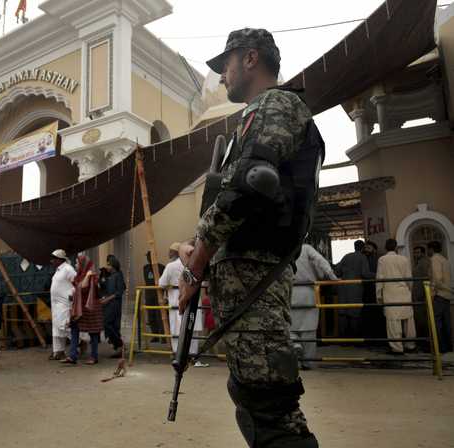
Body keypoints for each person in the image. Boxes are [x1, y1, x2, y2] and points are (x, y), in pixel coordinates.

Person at [178, 28, 321, 447]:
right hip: (246, 282)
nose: (223, 75)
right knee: (254, 399)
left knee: (271, 409)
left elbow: (252, 184)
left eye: (226, 64)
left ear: (251, 58)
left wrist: (197, 262)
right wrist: (198, 247)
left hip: (255, 279)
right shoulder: (257, 114)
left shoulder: (276, 104)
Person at [159, 243, 207, 366]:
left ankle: (179, 356)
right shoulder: (197, 264)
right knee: (193, 329)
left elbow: (162, 283)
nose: (169, 253)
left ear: (176, 252)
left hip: (177, 302)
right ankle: (193, 357)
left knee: (178, 330)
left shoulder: (171, 266)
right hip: (194, 301)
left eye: (170, 251)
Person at [290, 244, 338, 369]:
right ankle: (308, 362)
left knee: (290, 326)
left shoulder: (284, 248)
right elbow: (320, 260)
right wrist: (333, 277)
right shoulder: (306, 248)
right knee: (309, 330)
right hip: (308, 292)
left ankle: (295, 349)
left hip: (289, 291)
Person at [376, 239, 415, 355]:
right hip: (404, 293)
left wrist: (379, 296)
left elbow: (379, 279)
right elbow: (409, 278)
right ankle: (410, 345)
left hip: (390, 293)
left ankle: (397, 348)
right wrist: (410, 291)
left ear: (385, 247)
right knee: (408, 320)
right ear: (396, 247)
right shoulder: (404, 259)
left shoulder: (382, 260)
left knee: (393, 322)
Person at [63, 254, 103, 364]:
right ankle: (72, 356)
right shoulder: (80, 274)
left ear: (83, 264)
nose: (76, 265)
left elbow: (83, 287)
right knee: (74, 328)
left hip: (91, 309)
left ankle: (94, 357)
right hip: (80, 308)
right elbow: (76, 286)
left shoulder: (91, 275)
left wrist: (87, 276)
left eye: (77, 263)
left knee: (93, 333)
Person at [334, 240, 373, 338]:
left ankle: (343, 340)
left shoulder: (346, 256)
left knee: (343, 314)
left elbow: (337, 271)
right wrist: (378, 275)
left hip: (343, 288)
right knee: (354, 314)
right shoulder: (363, 257)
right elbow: (365, 274)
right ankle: (356, 340)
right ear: (363, 248)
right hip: (356, 289)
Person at [49, 249, 76, 360]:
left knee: (64, 326)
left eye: (54, 259)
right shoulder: (58, 270)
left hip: (64, 304)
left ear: (60, 259)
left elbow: (76, 283)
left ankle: (79, 342)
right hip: (56, 304)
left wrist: (72, 294)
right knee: (56, 328)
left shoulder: (68, 269)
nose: (52, 261)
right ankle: (58, 351)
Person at [427, 241, 453, 353]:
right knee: (447, 322)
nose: (428, 251)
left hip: (439, 294)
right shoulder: (445, 260)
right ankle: (449, 347)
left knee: (436, 323)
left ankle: (440, 348)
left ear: (431, 249)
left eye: (428, 249)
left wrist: (432, 294)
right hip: (447, 295)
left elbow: (437, 279)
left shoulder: (435, 259)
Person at [101, 254, 126, 358]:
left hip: (114, 304)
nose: (108, 267)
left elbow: (119, 292)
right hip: (108, 305)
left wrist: (107, 299)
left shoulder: (118, 275)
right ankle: (118, 348)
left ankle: (119, 344)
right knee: (112, 326)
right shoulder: (109, 275)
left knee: (108, 324)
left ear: (114, 266)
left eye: (109, 265)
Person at [143, 251, 165, 340]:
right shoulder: (145, 268)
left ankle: (163, 336)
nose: (148, 259)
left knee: (160, 316)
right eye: (147, 257)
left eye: (149, 257)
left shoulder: (161, 267)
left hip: (159, 295)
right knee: (151, 316)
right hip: (149, 295)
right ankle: (155, 335)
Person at [411, 246, 431, 343]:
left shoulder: (425, 262)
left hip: (422, 296)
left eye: (418, 252)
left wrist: (423, 294)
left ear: (423, 253)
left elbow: (426, 279)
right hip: (417, 295)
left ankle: (426, 343)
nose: (416, 254)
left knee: (423, 321)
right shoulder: (418, 263)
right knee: (420, 320)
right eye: (415, 252)